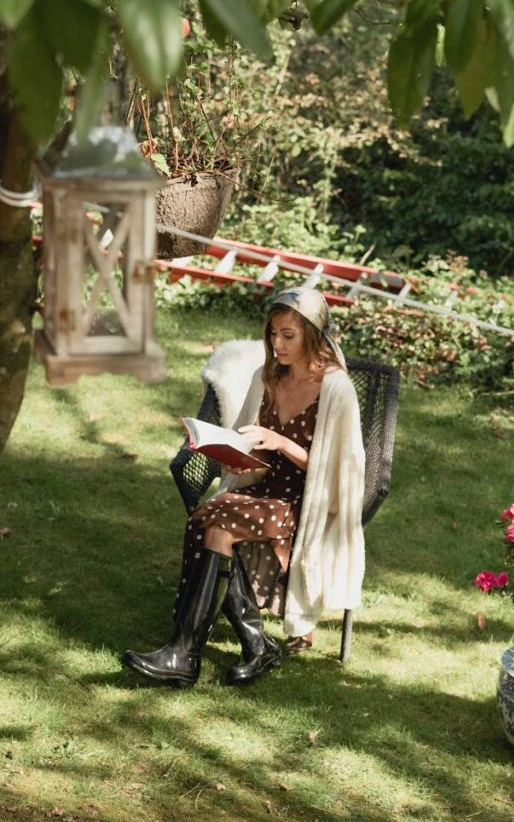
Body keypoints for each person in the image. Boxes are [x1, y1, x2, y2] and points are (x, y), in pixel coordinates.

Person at [122, 286, 366, 687]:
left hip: (306, 499)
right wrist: (235, 453)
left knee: (217, 524)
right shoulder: (266, 376)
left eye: (288, 335)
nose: (277, 343)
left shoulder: (335, 388)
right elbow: (245, 438)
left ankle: (189, 653)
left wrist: (283, 443)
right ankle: (241, 646)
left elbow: (342, 473)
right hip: (263, 487)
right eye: (273, 334)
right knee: (208, 518)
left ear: (312, 334)